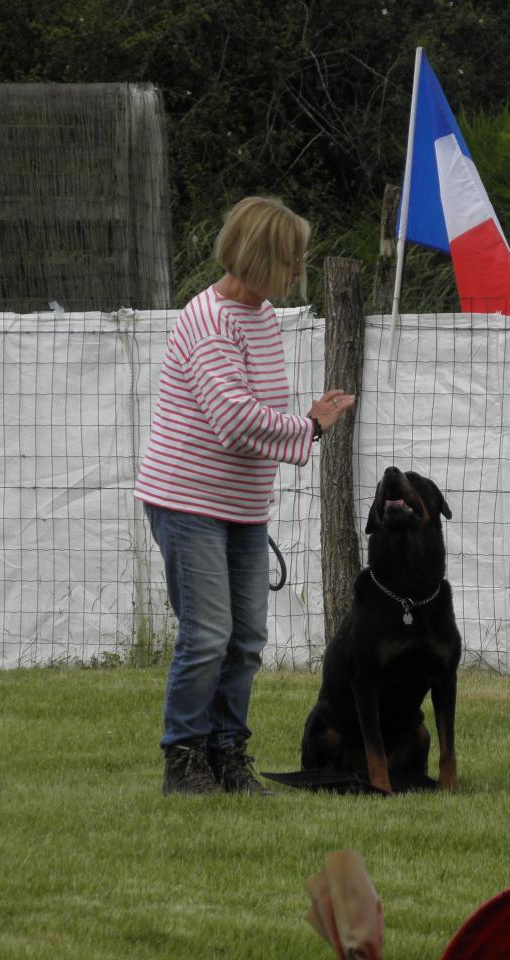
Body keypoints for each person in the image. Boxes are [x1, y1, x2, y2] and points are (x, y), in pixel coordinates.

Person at [134, 196, 356, 795]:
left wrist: (301, 422)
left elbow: (251, 412)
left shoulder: (260, 318)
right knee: (207, 635)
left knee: (247, 638)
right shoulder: (207, 320)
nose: (295, 271)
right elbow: (234, 419)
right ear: (260, 257)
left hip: (241, 505)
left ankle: (227, 751)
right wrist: (308, 427)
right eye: (289, 259)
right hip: (186, 501)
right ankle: (183, 757)